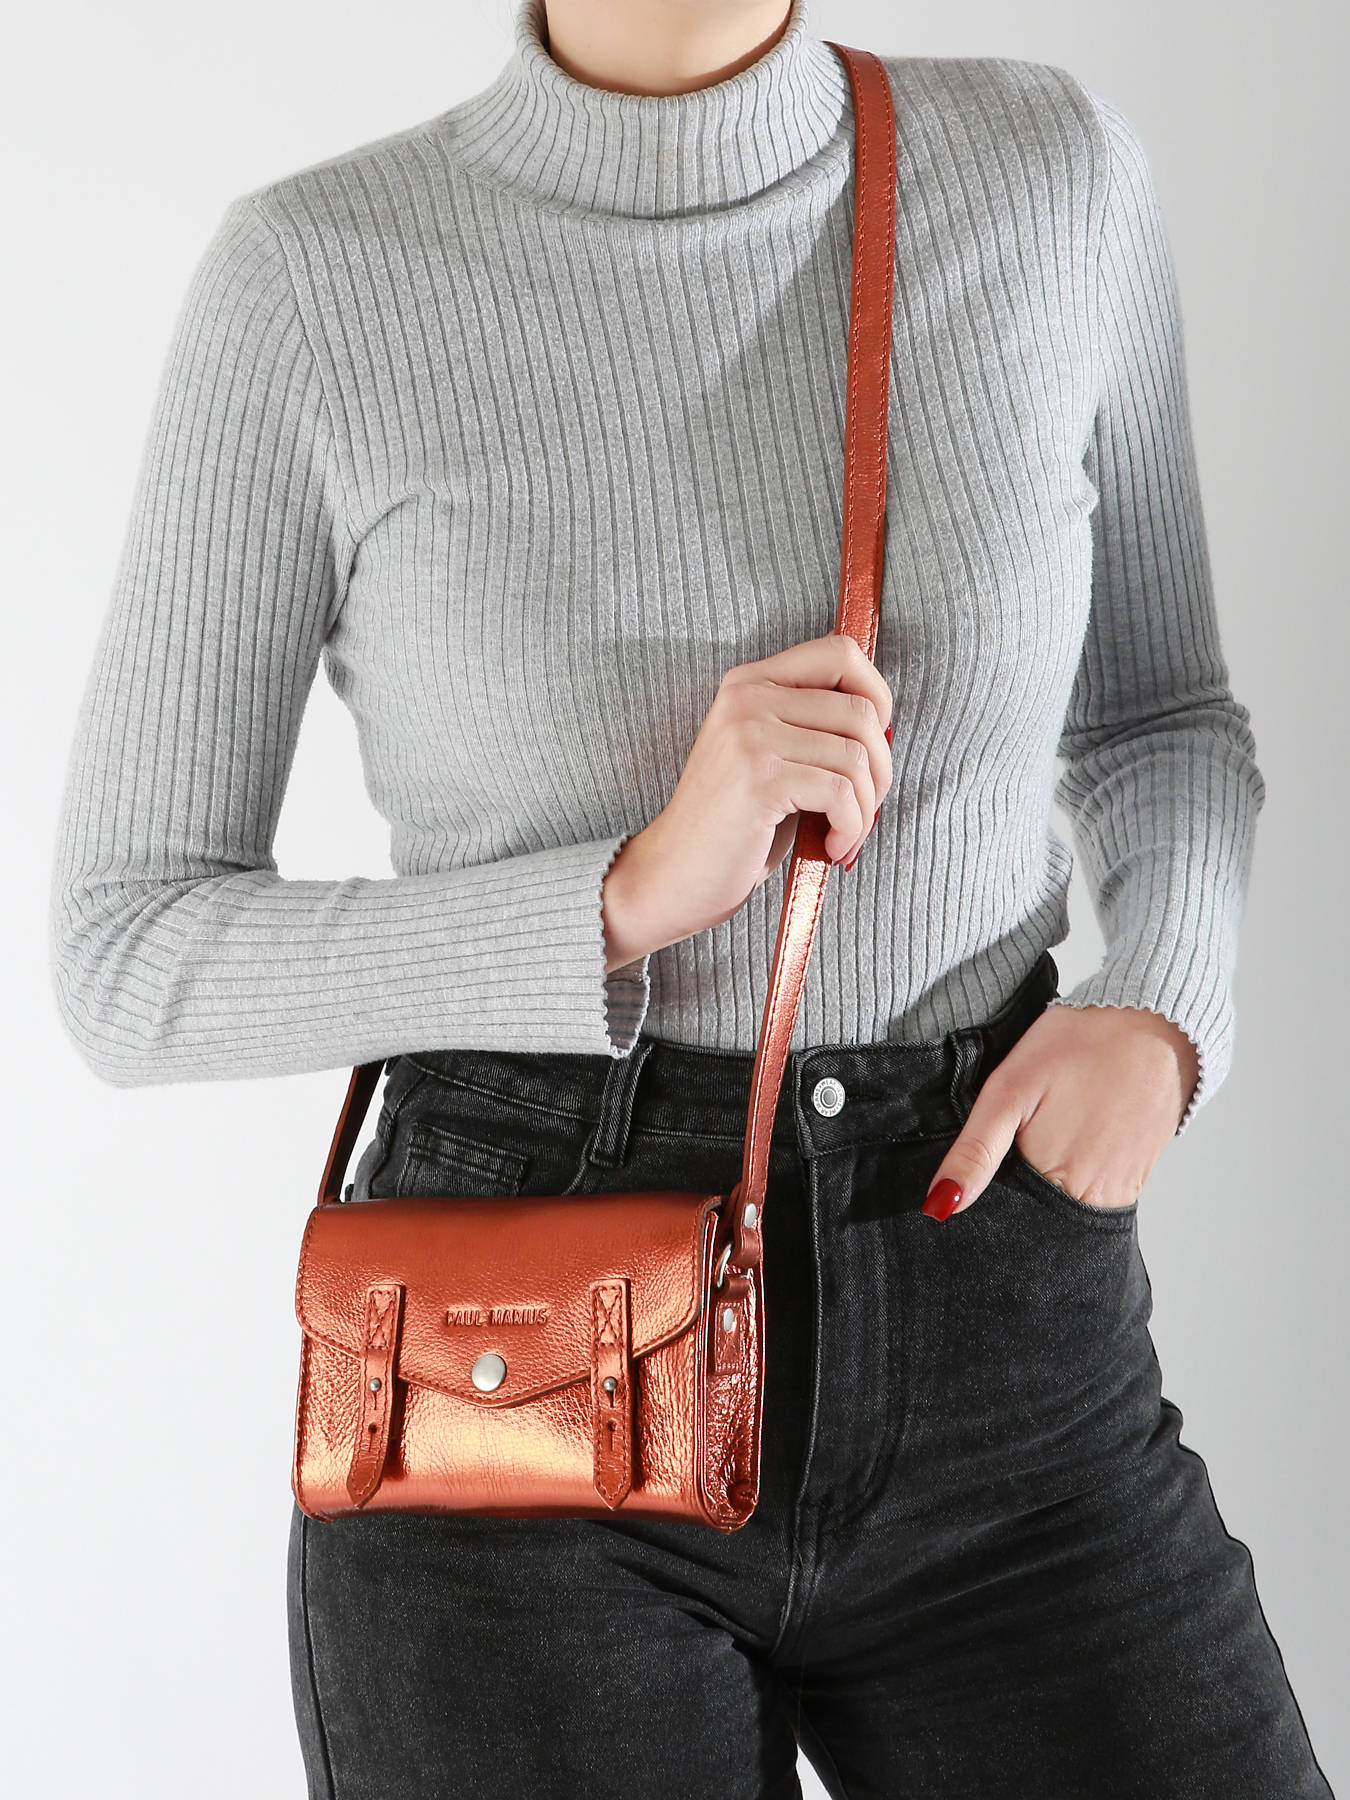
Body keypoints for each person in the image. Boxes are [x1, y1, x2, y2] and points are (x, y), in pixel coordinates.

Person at [48, 0, 1333, 1794]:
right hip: (519, 1375)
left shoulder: (1047, 176)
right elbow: (127, 950)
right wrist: (624, 895)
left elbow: (1161, 720)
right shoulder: (314, 283)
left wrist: (1162, 1013)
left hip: (998, 1328)